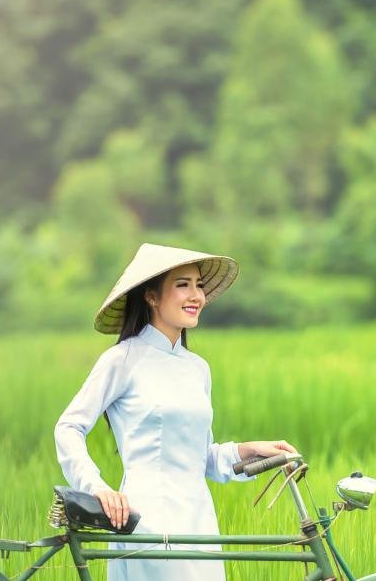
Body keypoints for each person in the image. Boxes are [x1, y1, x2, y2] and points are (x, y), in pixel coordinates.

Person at [54, 242, 297, 581]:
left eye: (199, 285)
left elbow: (204, 459)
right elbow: (68, 427)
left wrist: (251, 450)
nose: (196, 294)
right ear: (151, 297)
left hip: (199, 521)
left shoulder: (198, 368)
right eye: (183, 285)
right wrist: (96, 487)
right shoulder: (123, 359)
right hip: (148, 519)